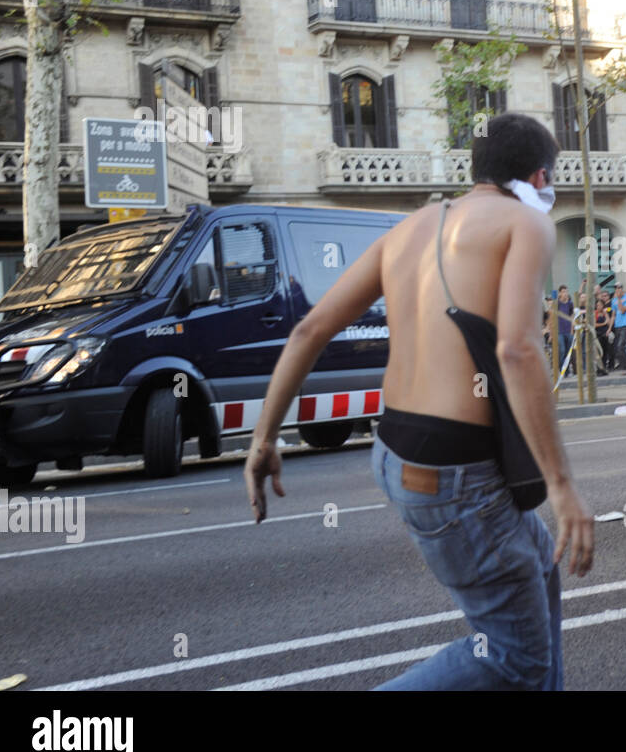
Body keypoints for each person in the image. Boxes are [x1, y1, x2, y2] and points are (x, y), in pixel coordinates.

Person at [242, 112, 594, 690]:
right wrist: (562, 485)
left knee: (540, 561)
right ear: (538, 176)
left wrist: (263, 441)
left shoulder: (407, 230)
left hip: (395, 455)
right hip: (456, 475)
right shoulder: (525, 225)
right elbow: (517, 350)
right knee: (513, 659)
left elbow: (308, 332)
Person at [610, 282, 626, 375]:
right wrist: (609, 328)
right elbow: (613, 315)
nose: (617, 289)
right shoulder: (614, 300)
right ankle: (623, 366)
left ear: (622, 288)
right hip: (617, 325)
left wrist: (619, 299)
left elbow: (623, 310)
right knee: (617, 348)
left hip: (625, 325)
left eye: (619, 287)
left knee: (621, 346)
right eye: (616, 288)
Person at [554, 285, 574, 375]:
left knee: (568, 352)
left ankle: (566, 371)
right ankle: (561, 369)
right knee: (561, 350)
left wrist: (572, 329)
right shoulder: (557, 304)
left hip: (568, 330)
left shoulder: (570, 304)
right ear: (560, 293)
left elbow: (572, 316)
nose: (565, 294)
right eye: (563, 292)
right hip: (559, 331)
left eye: (566, 291)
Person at [593, 289, 612, 375]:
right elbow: (594, 325)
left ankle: (604, 367)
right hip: (598, 335)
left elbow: (608, 322)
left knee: (605, 351)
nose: (599, 307)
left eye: (600, 305)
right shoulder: (595, 313)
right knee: (598, 352)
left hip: (605, 334)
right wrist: (603, 323)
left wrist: (608, 328)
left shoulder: (605, 313)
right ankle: (599, 368)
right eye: (597, 305)